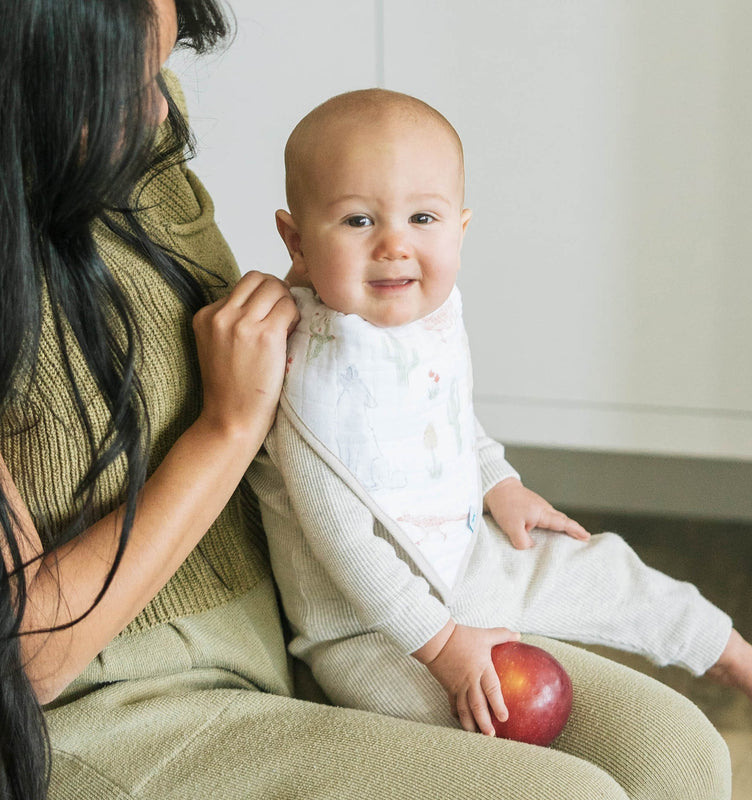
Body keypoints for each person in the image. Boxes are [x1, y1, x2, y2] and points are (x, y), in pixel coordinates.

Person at [0, 2, 733, 798]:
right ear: (8, 69)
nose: (159, 108)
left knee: (674, 755)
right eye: (126, 80)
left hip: (286, 615)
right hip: (107, 706)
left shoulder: (135, 129)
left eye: (163, 64)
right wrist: (228, 429)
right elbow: (24, 657)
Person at [251, 84, 752, 773]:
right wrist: (441, 645)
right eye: (359, 220)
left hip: (468, 555)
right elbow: (344, 544)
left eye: (422, 217)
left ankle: (726, 650)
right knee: (473, 732)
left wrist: (499, 482)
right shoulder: (306, 376)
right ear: (296, 241)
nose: (395, 244)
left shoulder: (423, 320)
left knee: (602, 567)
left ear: (459, 229)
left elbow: (448, 417)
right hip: (369, 626)